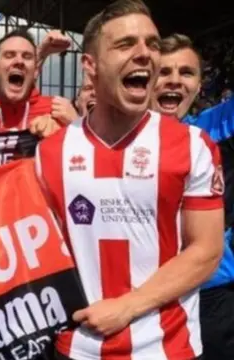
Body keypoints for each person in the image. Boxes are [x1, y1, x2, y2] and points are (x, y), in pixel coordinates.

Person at [36, 1, 224, 359]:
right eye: (125, 45)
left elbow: (206, 250)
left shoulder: (193, 146)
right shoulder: (49, 154)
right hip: (76, 349)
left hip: (169, 349)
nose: (144, 54)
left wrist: (127, 306)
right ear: (90, 67)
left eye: (151, 44)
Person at [152, 34, 234, 360]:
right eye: (164, 72)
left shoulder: (212, 129)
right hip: (147, 300)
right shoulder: (114, 144)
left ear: (200, 85)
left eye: (186, 73)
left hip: (212, 298)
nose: (174, 80)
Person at [0, 29, 60, 131]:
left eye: (27, 57)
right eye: (9, 55)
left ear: (36, 71)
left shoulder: (55, 111)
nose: (19, 61)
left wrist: (72, 124)